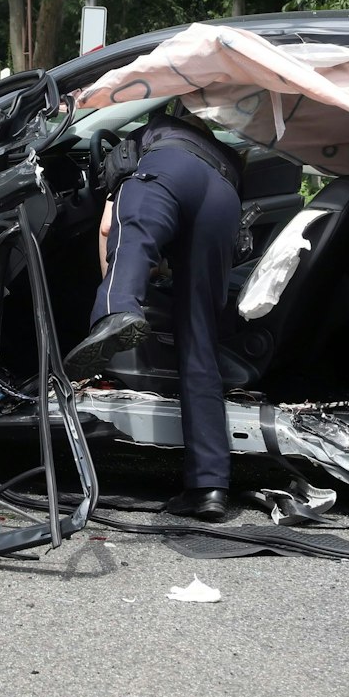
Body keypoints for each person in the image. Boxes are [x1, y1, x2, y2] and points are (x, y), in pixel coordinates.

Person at [67, 104, 244, 522]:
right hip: (224, 198)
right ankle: (209, 487)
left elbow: (114, 227)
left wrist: (114, 284)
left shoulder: (151, 134)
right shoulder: (227, 155)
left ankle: (115, 314)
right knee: (199, 340)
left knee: (135, 240)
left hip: (168, 172)